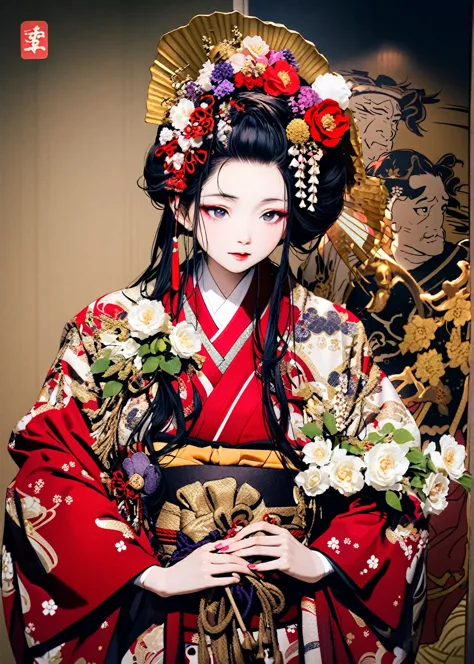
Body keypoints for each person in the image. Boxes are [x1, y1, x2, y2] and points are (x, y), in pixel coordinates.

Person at [7, 12, 468, 664]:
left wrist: (320, 557)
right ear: (182, 203)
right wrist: (149, 572)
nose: (245, 235)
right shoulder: (110, 327)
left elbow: (392, 487)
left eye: (272, 212)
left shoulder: (333, 336)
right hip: (156, 608)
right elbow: (51, 469)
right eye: (221, 207)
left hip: (289, 618)